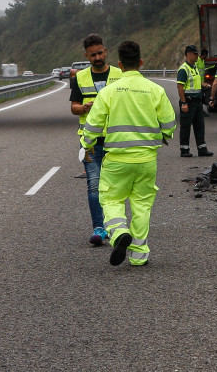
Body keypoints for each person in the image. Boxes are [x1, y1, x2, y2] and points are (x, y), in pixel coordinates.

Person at [81, 40, 175, 267]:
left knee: (111, 199)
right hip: (146, 160)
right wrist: (164, 136)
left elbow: (93, 126)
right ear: (141, 63)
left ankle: (118, 232)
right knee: (142, 205)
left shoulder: (108, 92)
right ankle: (139, 255)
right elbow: (169, 124)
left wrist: (86, 143)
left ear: (120, 65)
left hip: (116, 160)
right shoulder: (156, 90)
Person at [70, 33, 123, 246]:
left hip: (116, 140)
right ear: (87, 56)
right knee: (94, 185)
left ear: (106, 51)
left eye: (100, 53)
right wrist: (83, 107)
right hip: (90, 142)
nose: (97, 57)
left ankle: (116, 225)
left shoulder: (119, 75)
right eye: (93, 55)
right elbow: (73, 107)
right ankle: (99, 228)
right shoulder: (80, 78)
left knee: (116, 186)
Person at [176, 45, 213, 157]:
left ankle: (202, 149)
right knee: (186, 127)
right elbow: (180, 87)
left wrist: (203, 84)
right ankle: (184, 150)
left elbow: (195, 81)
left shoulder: (195, 67)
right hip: (189, 101)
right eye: (195, 53)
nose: (197, 55)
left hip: (197, 101)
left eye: (197, 53)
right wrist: (183, 103)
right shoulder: (183, 69)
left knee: (200, 126)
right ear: (188, 54)